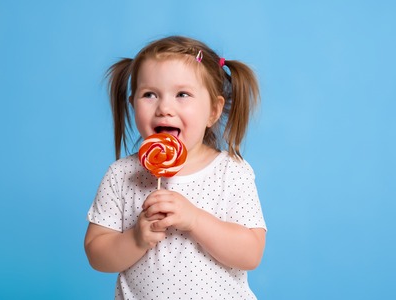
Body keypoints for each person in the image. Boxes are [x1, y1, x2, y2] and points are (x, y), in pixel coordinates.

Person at [85, 35, 267, 299]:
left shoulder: (231, 172)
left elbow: (251, 253)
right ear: (132, 103)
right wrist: (136, 239)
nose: (164, 108)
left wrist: (194, 219)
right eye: (149, 94)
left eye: (182, 94)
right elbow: (96, 253)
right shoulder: (122, 175)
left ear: (213, 111)